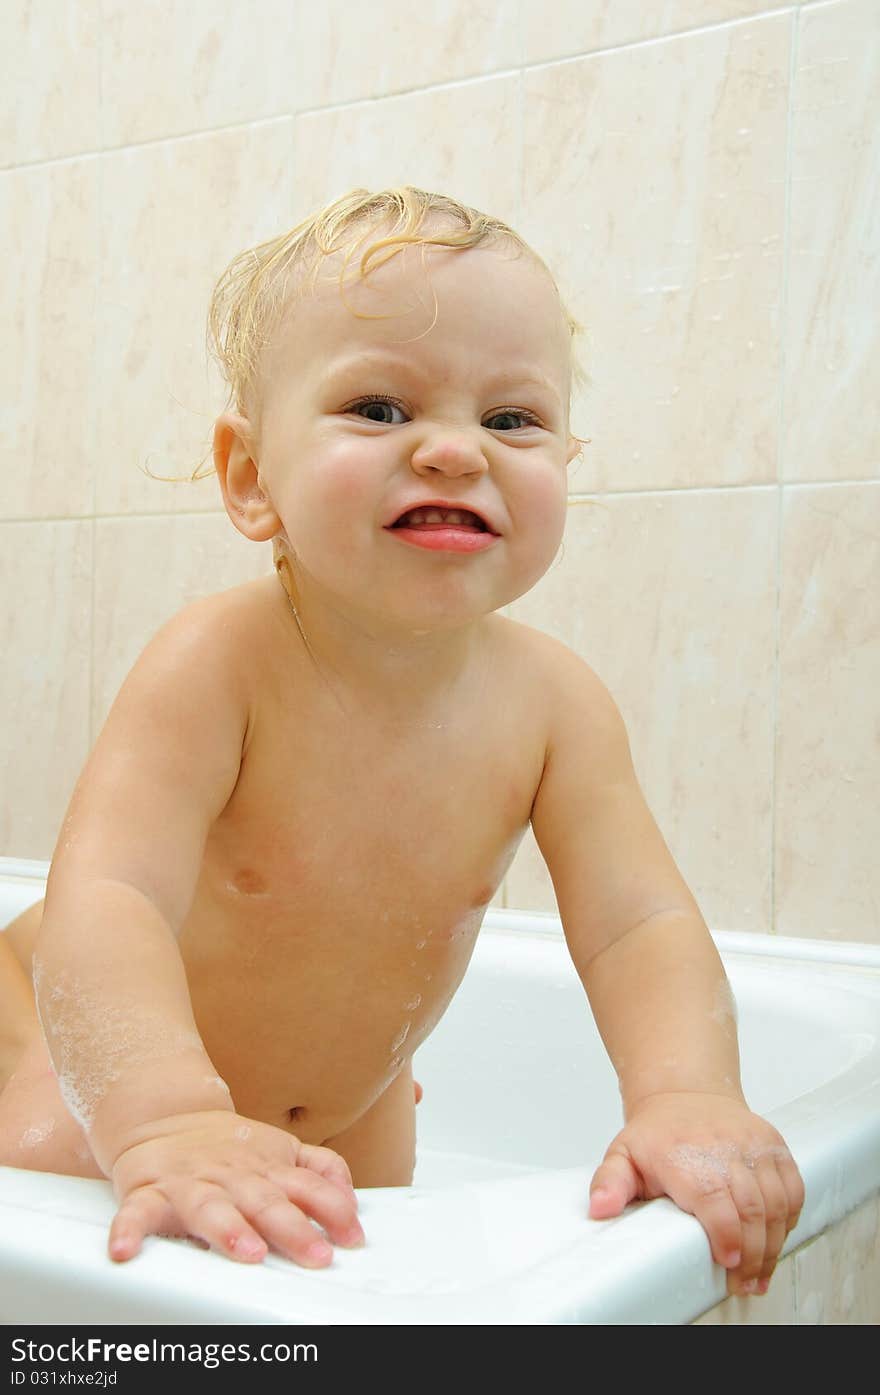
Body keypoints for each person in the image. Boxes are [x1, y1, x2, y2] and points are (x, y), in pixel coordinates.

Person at [0, 186, 803, 1297]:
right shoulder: (219, 663)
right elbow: (113, 897)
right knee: (54, 1205)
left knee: (378, 1288)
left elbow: (638, 925)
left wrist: (686, 1093)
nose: (452, 451)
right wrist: (165, 1117)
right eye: (379, 409)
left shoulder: (555, 705)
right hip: (125, 1070)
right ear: (249, 477)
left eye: (512, 419)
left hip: (354, 1107)